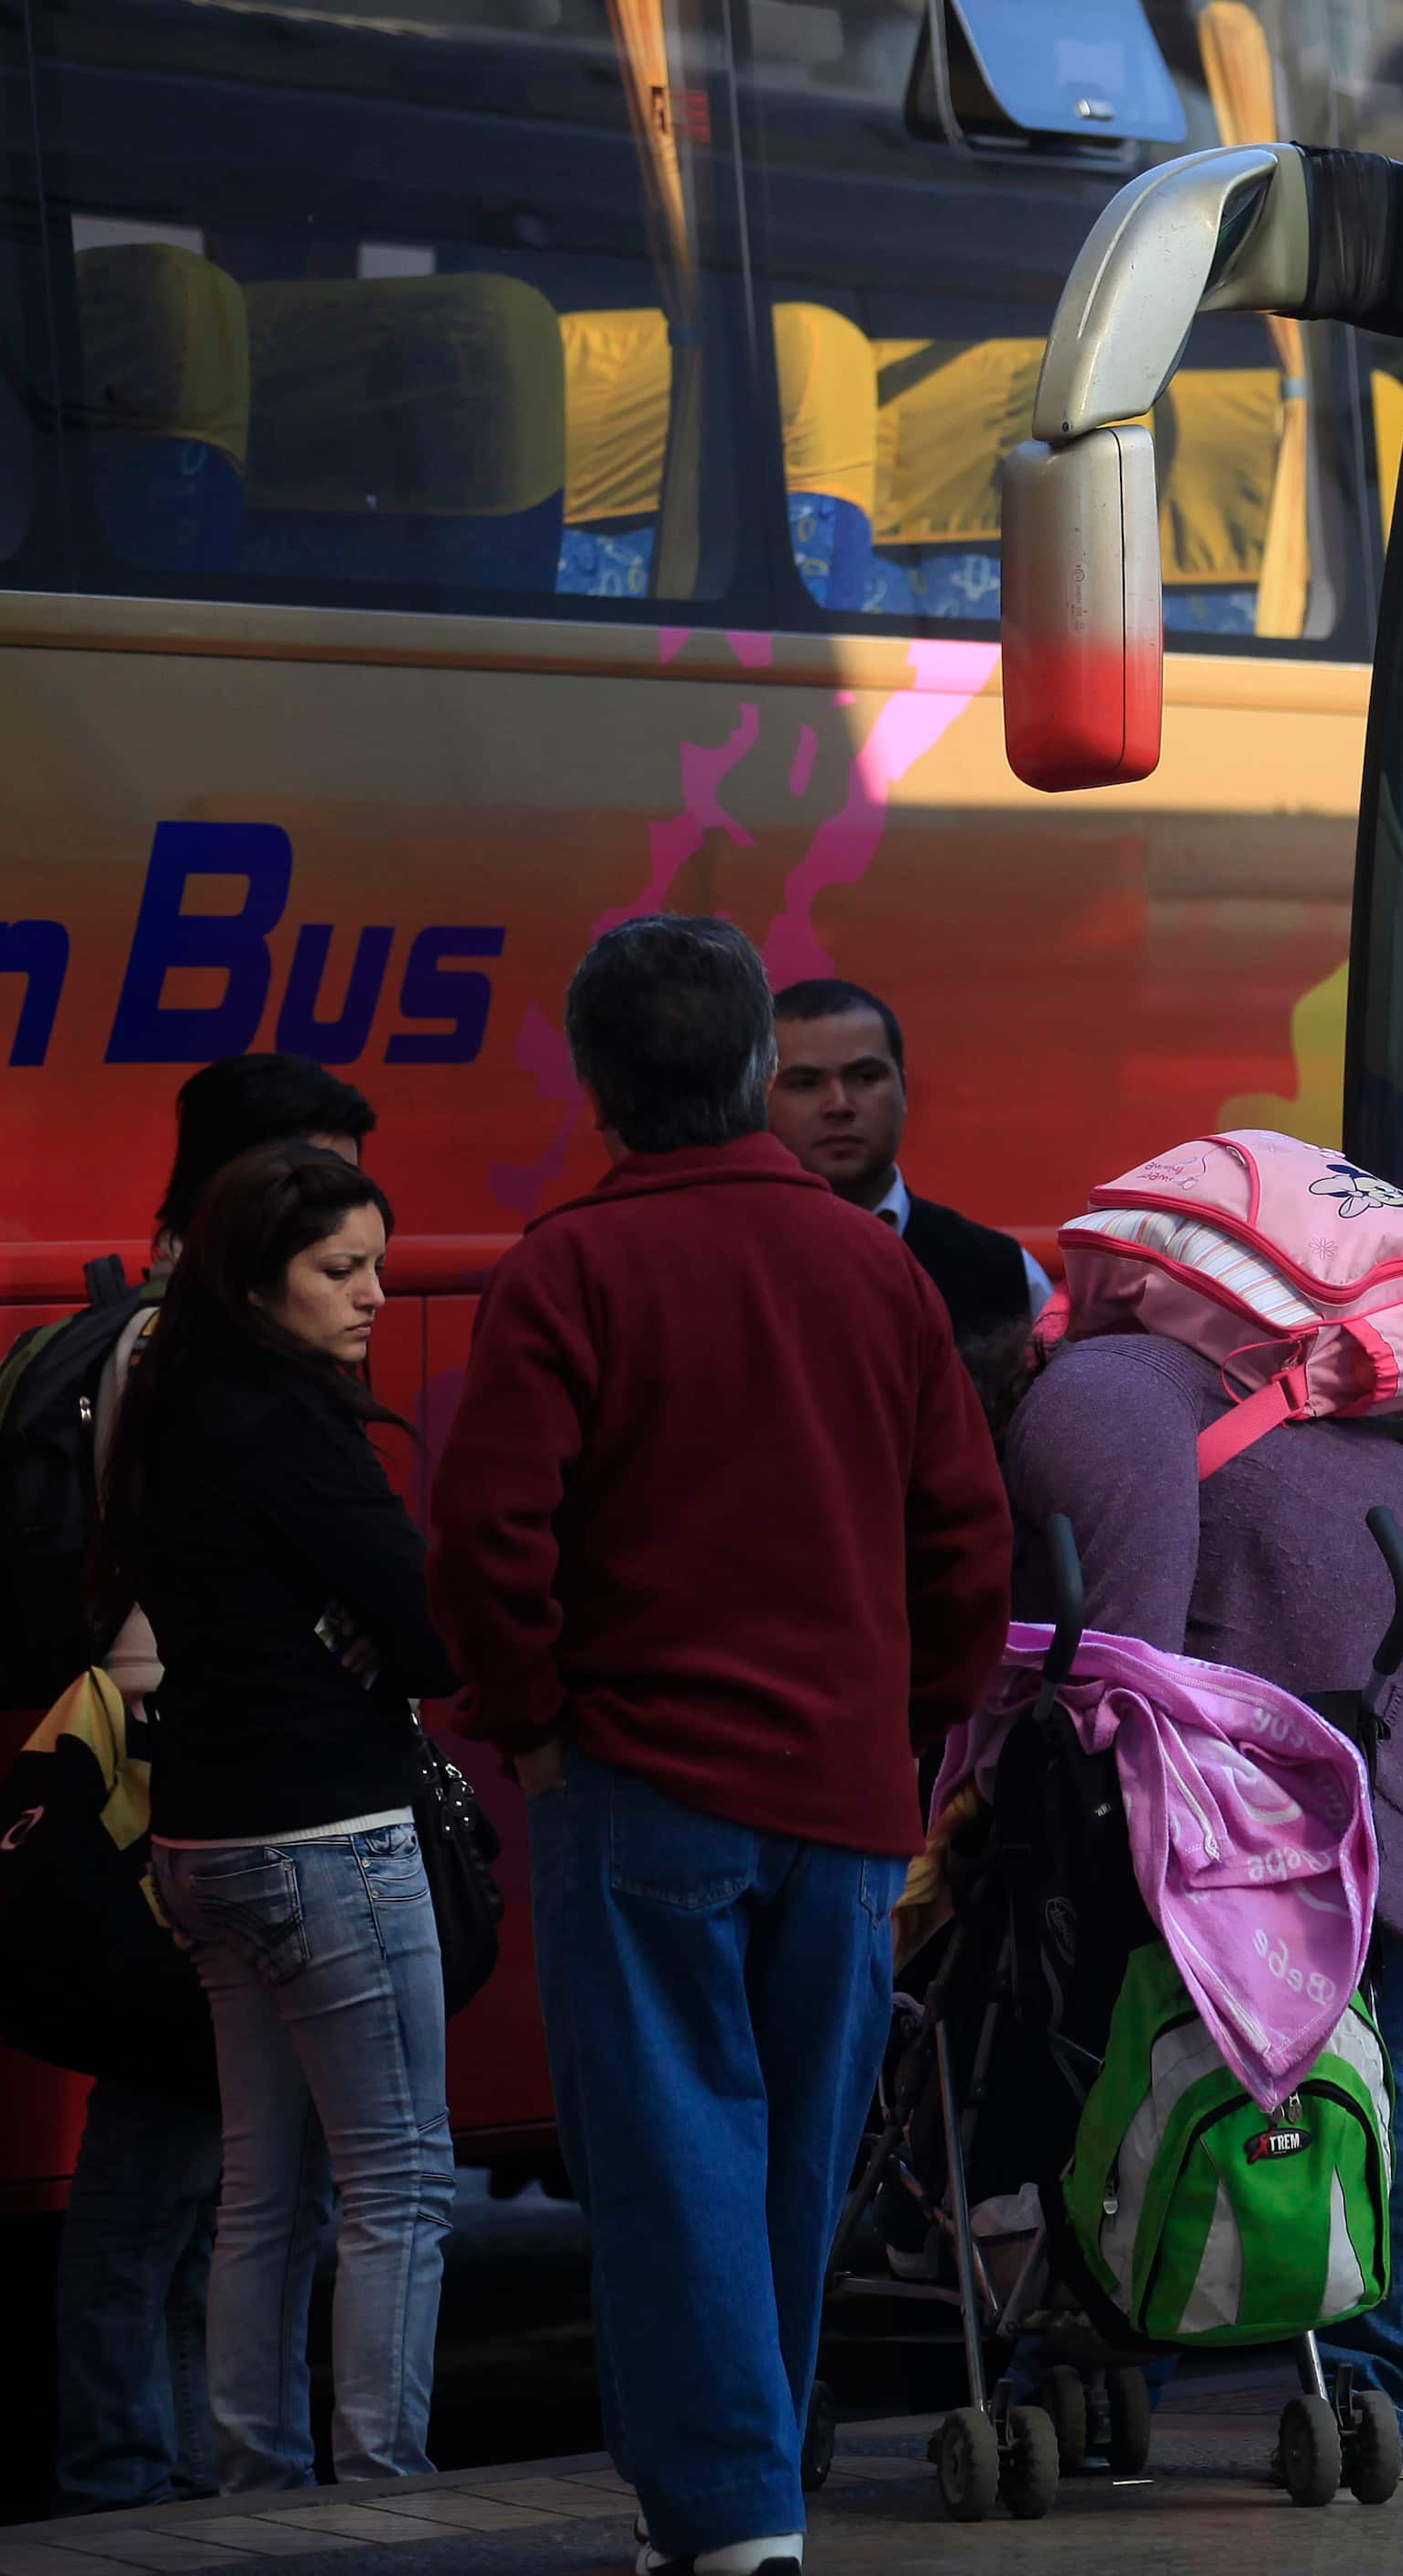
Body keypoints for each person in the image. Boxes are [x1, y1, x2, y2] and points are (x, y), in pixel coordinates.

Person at [430, 916, 1010, 2576]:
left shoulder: (570, 1266)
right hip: (838, 1795)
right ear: (760, 1066)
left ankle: (730, 2509)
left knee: (673, 2144)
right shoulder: (872, 1267)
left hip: (642, 1783)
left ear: (598, 1081)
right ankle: (743, 2497)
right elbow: (969, 1536)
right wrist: (908, 1732)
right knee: (794, 2153)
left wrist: (531, 1718)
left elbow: (488, 1532)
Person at [1001, 1254, 1403, 2478]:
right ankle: (1138, 2353)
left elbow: (1125, 1660)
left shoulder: (1084, 1398)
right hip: (1384, 1683)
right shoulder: (1103, 1388)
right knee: (1209, 2017)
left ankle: (1390, 2395)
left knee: (1400, 2029)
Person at [26, 1053, 372, 2514]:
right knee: (178, 2159)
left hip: (194, 1784)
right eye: (319, 1200)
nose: (354, 1247)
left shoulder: (178, 1338)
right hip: (195, 1784)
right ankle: (127, 2477)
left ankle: (174, 2474)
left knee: (217, 2165)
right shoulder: (190, 1355)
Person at [114, 1141, 460, 2492]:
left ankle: (255, 2476)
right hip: (330, 1835)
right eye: (341, 1270)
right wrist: (380, 1640)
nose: (373, 1295)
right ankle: (384, 2481)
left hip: (204, 1835)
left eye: (377, 1263)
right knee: (403, 2183)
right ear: (259, 1285)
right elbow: (431, 1632)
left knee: (259, 2188)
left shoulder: (174, 1406)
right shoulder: (298, 1424)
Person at [764, 977, 1051, 1342]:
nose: (838, 1105)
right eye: (805, 1083)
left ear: (903, 1090)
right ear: (759, 1100)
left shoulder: (1005, 1274)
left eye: (865, 1077)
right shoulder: (725, 1267)